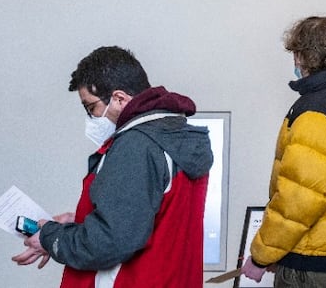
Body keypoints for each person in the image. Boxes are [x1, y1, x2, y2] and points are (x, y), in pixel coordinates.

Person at [11, 45, 213, 288]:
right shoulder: (175, 136)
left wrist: (50, 237)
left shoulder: (136, 145)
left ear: (119, 98)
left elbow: (108, 243)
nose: (92, 117)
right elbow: (148, 216)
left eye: (91, 107)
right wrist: (82, 219)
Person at [240, 16, 326, 288]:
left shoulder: (316, 110)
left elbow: (298, 200)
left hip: (309, 265)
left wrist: (262, 255)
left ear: (301, 57)